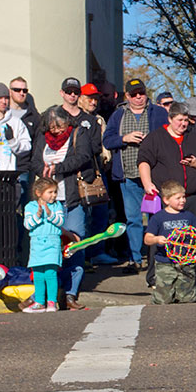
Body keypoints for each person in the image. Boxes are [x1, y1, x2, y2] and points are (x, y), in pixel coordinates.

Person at [31, 106, 95, 310]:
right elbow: (33, 160)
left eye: (61, 126)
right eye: (53, 127)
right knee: (48, 247)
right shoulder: (42, 137)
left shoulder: (78, 133)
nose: (58, 130)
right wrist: (42, 170)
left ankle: (70, 293)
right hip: (47, 199)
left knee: (75, 244)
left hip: (70, 197)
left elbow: (83, 157)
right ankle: (44, 295)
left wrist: (58, 168)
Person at [103, 79, 168, 272]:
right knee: (133, 219)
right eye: (133, 94)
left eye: (141, 93)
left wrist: (153, 140)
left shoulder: (159, 113)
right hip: (128, 176)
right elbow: (107, 140)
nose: (138, 97)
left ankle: (156, 258)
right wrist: (125, 138)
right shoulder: (118, 115)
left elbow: (168, 135)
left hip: (154, 176)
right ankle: (135, 258)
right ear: (127, 96)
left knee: (156, 217)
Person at [137, 102, 196, 217]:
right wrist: (147, 183)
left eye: (186, 120)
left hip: (191, 198)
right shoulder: (155, 137)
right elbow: (144, 161)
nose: (183, 124)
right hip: (166, 199)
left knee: (191, 233)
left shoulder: (194, 137)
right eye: (180, 120)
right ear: (170, 119)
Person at [145, 180, 196, 304]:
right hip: (165, 262)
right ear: (166, 200)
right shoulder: (158, 217)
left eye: (184, 197)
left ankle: (181, 296)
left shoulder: (188, 216)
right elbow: (147, 238)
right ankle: (160, 295)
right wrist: (156, 239)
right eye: (178, 198)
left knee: (188, 299)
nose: (183, 200)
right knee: (163, 300)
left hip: (186, 261)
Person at [78, 83, 115, 265]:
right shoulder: (75, 118)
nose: (93, 102)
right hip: (80, 173)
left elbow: (105, 146)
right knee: (83, 215)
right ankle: (82, 255)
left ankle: (97, 252)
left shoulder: (99, 120)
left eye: (95, 98)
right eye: (89, 98)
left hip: (100, 171)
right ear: (80, 98)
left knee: (100, 212)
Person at [8, 76, 41, 259]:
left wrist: (32, 168)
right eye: (17, 90)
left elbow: (36, 146)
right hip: (2, 169)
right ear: (9, 92)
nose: (21, 93)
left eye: (24, 90)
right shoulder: (3, 115)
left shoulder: (33, 117)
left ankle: (18, 252)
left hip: (23, 170)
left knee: (20, 210)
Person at [22, 177, 64, 313]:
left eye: (55, 192)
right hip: (37, 244)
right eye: (50, 192)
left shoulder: (57, 206)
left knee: (50, 273)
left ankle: (52, 302)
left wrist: (50, 213)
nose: (53, 195)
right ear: (39, 193)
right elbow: (28, 225)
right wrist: (38, 215)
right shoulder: (30, 206)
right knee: (38, 274)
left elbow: (60, 222)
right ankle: (39, 302)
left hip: (52, 243)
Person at [0, 82, 31, 171]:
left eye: (6, 98)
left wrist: (12, 141)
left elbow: (27, 147)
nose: (4, 101)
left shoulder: (16, 122)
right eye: (0, 98)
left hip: (9, 174)